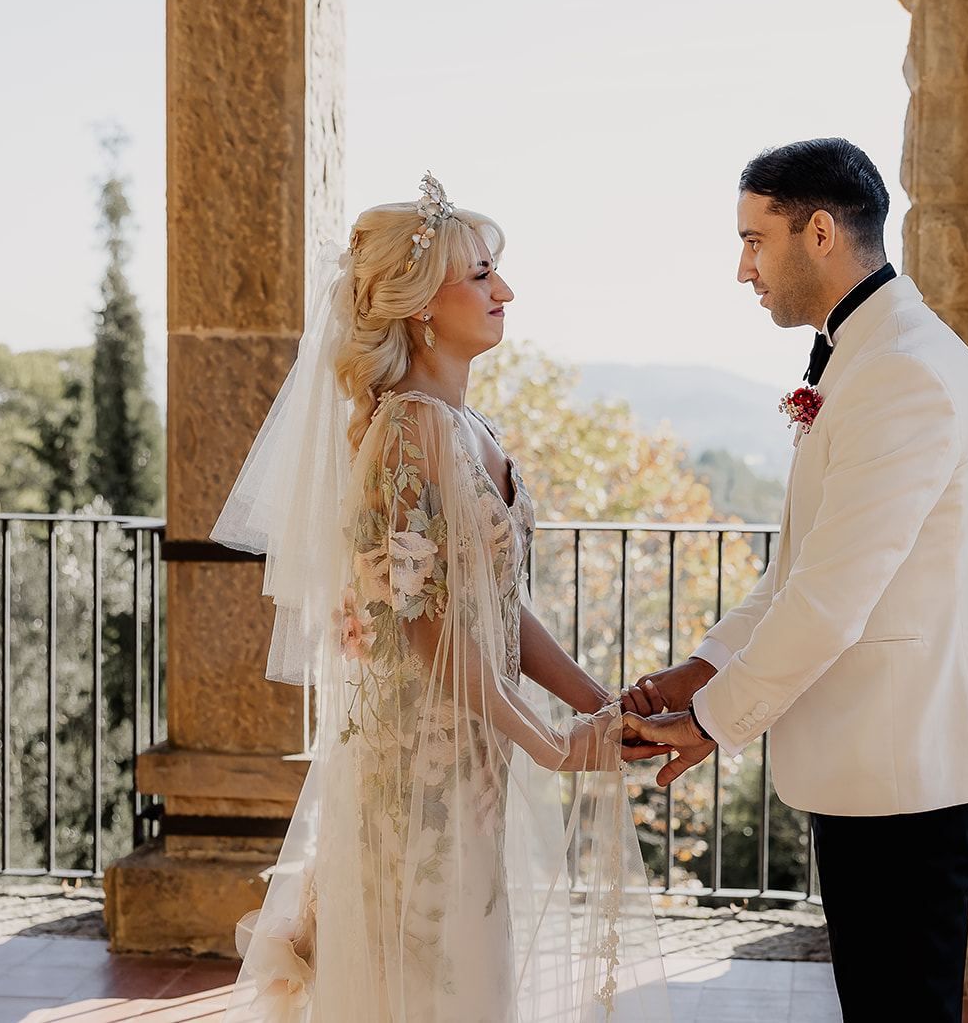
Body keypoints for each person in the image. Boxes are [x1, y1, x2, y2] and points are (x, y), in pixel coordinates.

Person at [213, 174, 670, 1023]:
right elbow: (421, 628)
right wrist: (550, 742)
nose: (505, 291)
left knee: (468, 970)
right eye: (483, 275)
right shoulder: (409, 427)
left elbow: (496, 607)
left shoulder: (470, 427)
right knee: (435, 979)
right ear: (422, 304)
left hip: (475, 744)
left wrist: (597, 704)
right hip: (422, 758)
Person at [621, 139, 968, 1022]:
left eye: (753, 240)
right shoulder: (869, 351)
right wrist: (704, 668)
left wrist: (709, 724)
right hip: (881, 758)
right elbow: (802, 565)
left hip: (905, 761)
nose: (742, 268)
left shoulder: (903, 373)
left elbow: (832, 597)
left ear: (817, 231)